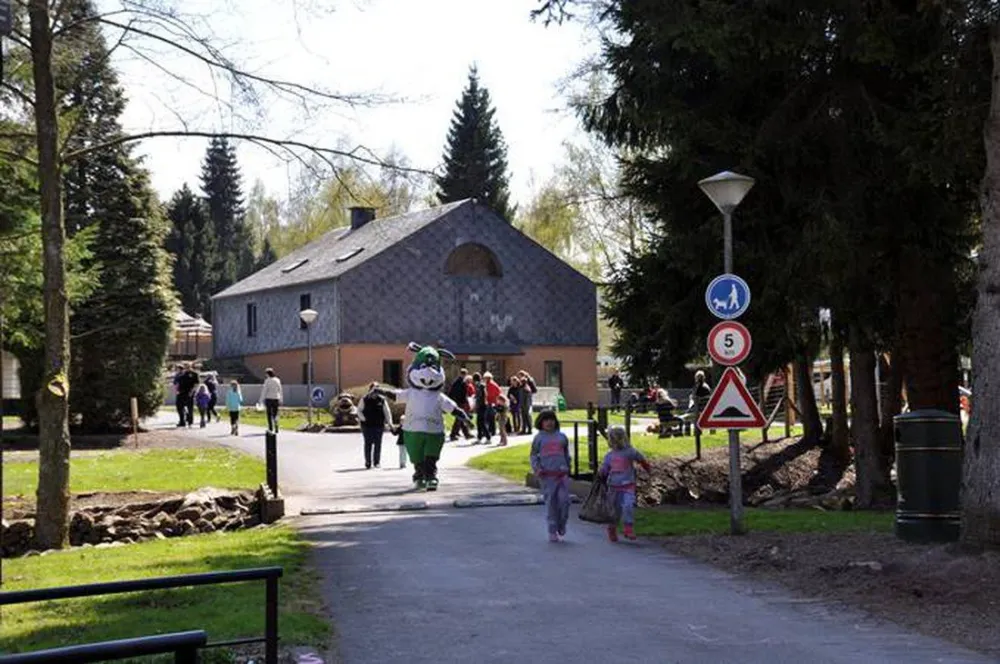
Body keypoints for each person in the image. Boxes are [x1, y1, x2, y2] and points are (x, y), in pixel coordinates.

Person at [599, 425, 651, 542]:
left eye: (618, 439)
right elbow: (605, 469)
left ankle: (628, 527)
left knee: (628, 506)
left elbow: (640, 458)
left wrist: (647, 467)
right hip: (613, 486)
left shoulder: (629, 452)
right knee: (615, 509)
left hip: (628, 485)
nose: (616, 442)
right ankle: (612, 527)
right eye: (613, 440)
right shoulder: (609, 456)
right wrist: (602, 473)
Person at [530, 410, 571, 542]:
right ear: (541, 423)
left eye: (552, 420)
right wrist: (537, 468)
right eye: (546, 420)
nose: (549, 423)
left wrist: (568, 466)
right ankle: (552, 529)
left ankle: (562, 523)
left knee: (564, 501)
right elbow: (533, 455)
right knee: (551, 503)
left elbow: (566, 454)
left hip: (561, 475)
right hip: (547, 476)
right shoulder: (539, 438)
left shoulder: (561, 437)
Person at [358, 382, 393, 469]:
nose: (375, 392)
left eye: (377, 389)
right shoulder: (364, 399)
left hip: (379, 425)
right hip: (367, 425)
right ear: (370, 390)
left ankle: (377, 462)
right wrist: (363, 419)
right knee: (368, 443)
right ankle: (368, 462)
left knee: (378, 444)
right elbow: (359, 410)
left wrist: (390, 423)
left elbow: (387, 412)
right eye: (374, 389)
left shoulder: (382, 400)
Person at [447, 369, 472, 441]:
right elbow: (464, 394)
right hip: (461, 402)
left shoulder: (455, 382)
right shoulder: (463, 383)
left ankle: (466, 434)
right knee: (459, 418)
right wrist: (465, 402)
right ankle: (453, 434)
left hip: (455, 401)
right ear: (465, 374)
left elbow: (451, 392)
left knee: (460, 418)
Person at [176, 363, 200, 428]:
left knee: (190, 408)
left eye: (187, 366)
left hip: (189, 393)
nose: (186, 367)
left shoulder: (194, 374)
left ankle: (190, 422)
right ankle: (182, 421)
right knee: (179, 407)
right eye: (185, 366)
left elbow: (196, 384)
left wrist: (192, 392)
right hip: (181, 393)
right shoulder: (182, 374)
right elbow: (178, 383)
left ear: (190, 366)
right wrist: (177, 390)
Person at [259, 368, 282, 432]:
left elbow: (264, 391)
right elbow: (280, 390)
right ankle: (276, 425)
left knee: (269, 414)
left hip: (269, 399)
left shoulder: (267, 381)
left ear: (267, 374)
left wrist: (261, 400)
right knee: (275, 413)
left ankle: (270, 428)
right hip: (276, 398)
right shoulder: (277, 380)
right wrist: (281, 399)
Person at [473, 372, 490, 444]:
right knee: (479, 422)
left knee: (481, 422)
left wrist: (476, 404)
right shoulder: (482, 385)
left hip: (481, 406)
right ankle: (479, 437)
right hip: (482, 406)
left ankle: (488, 437)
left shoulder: (480, 386)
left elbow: (480, 397)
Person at [518, 370, 537, 434]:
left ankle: (529, 429)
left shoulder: (527, 387)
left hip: (527, 404)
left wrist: (527, 405)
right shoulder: (521, 388)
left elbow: (534, 391)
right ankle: (524, 429)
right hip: (523, 403)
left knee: (528, 416)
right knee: (523, 416)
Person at [484, 372, 501, 438]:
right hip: (492, 403)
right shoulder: (494, 384)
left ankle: (491, 431)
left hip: (490, 403)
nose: (484, 379)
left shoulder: (490, 385)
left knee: (489, 418)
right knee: (491, 418)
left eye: (485, 378)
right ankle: (492, 430)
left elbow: (489, 394)